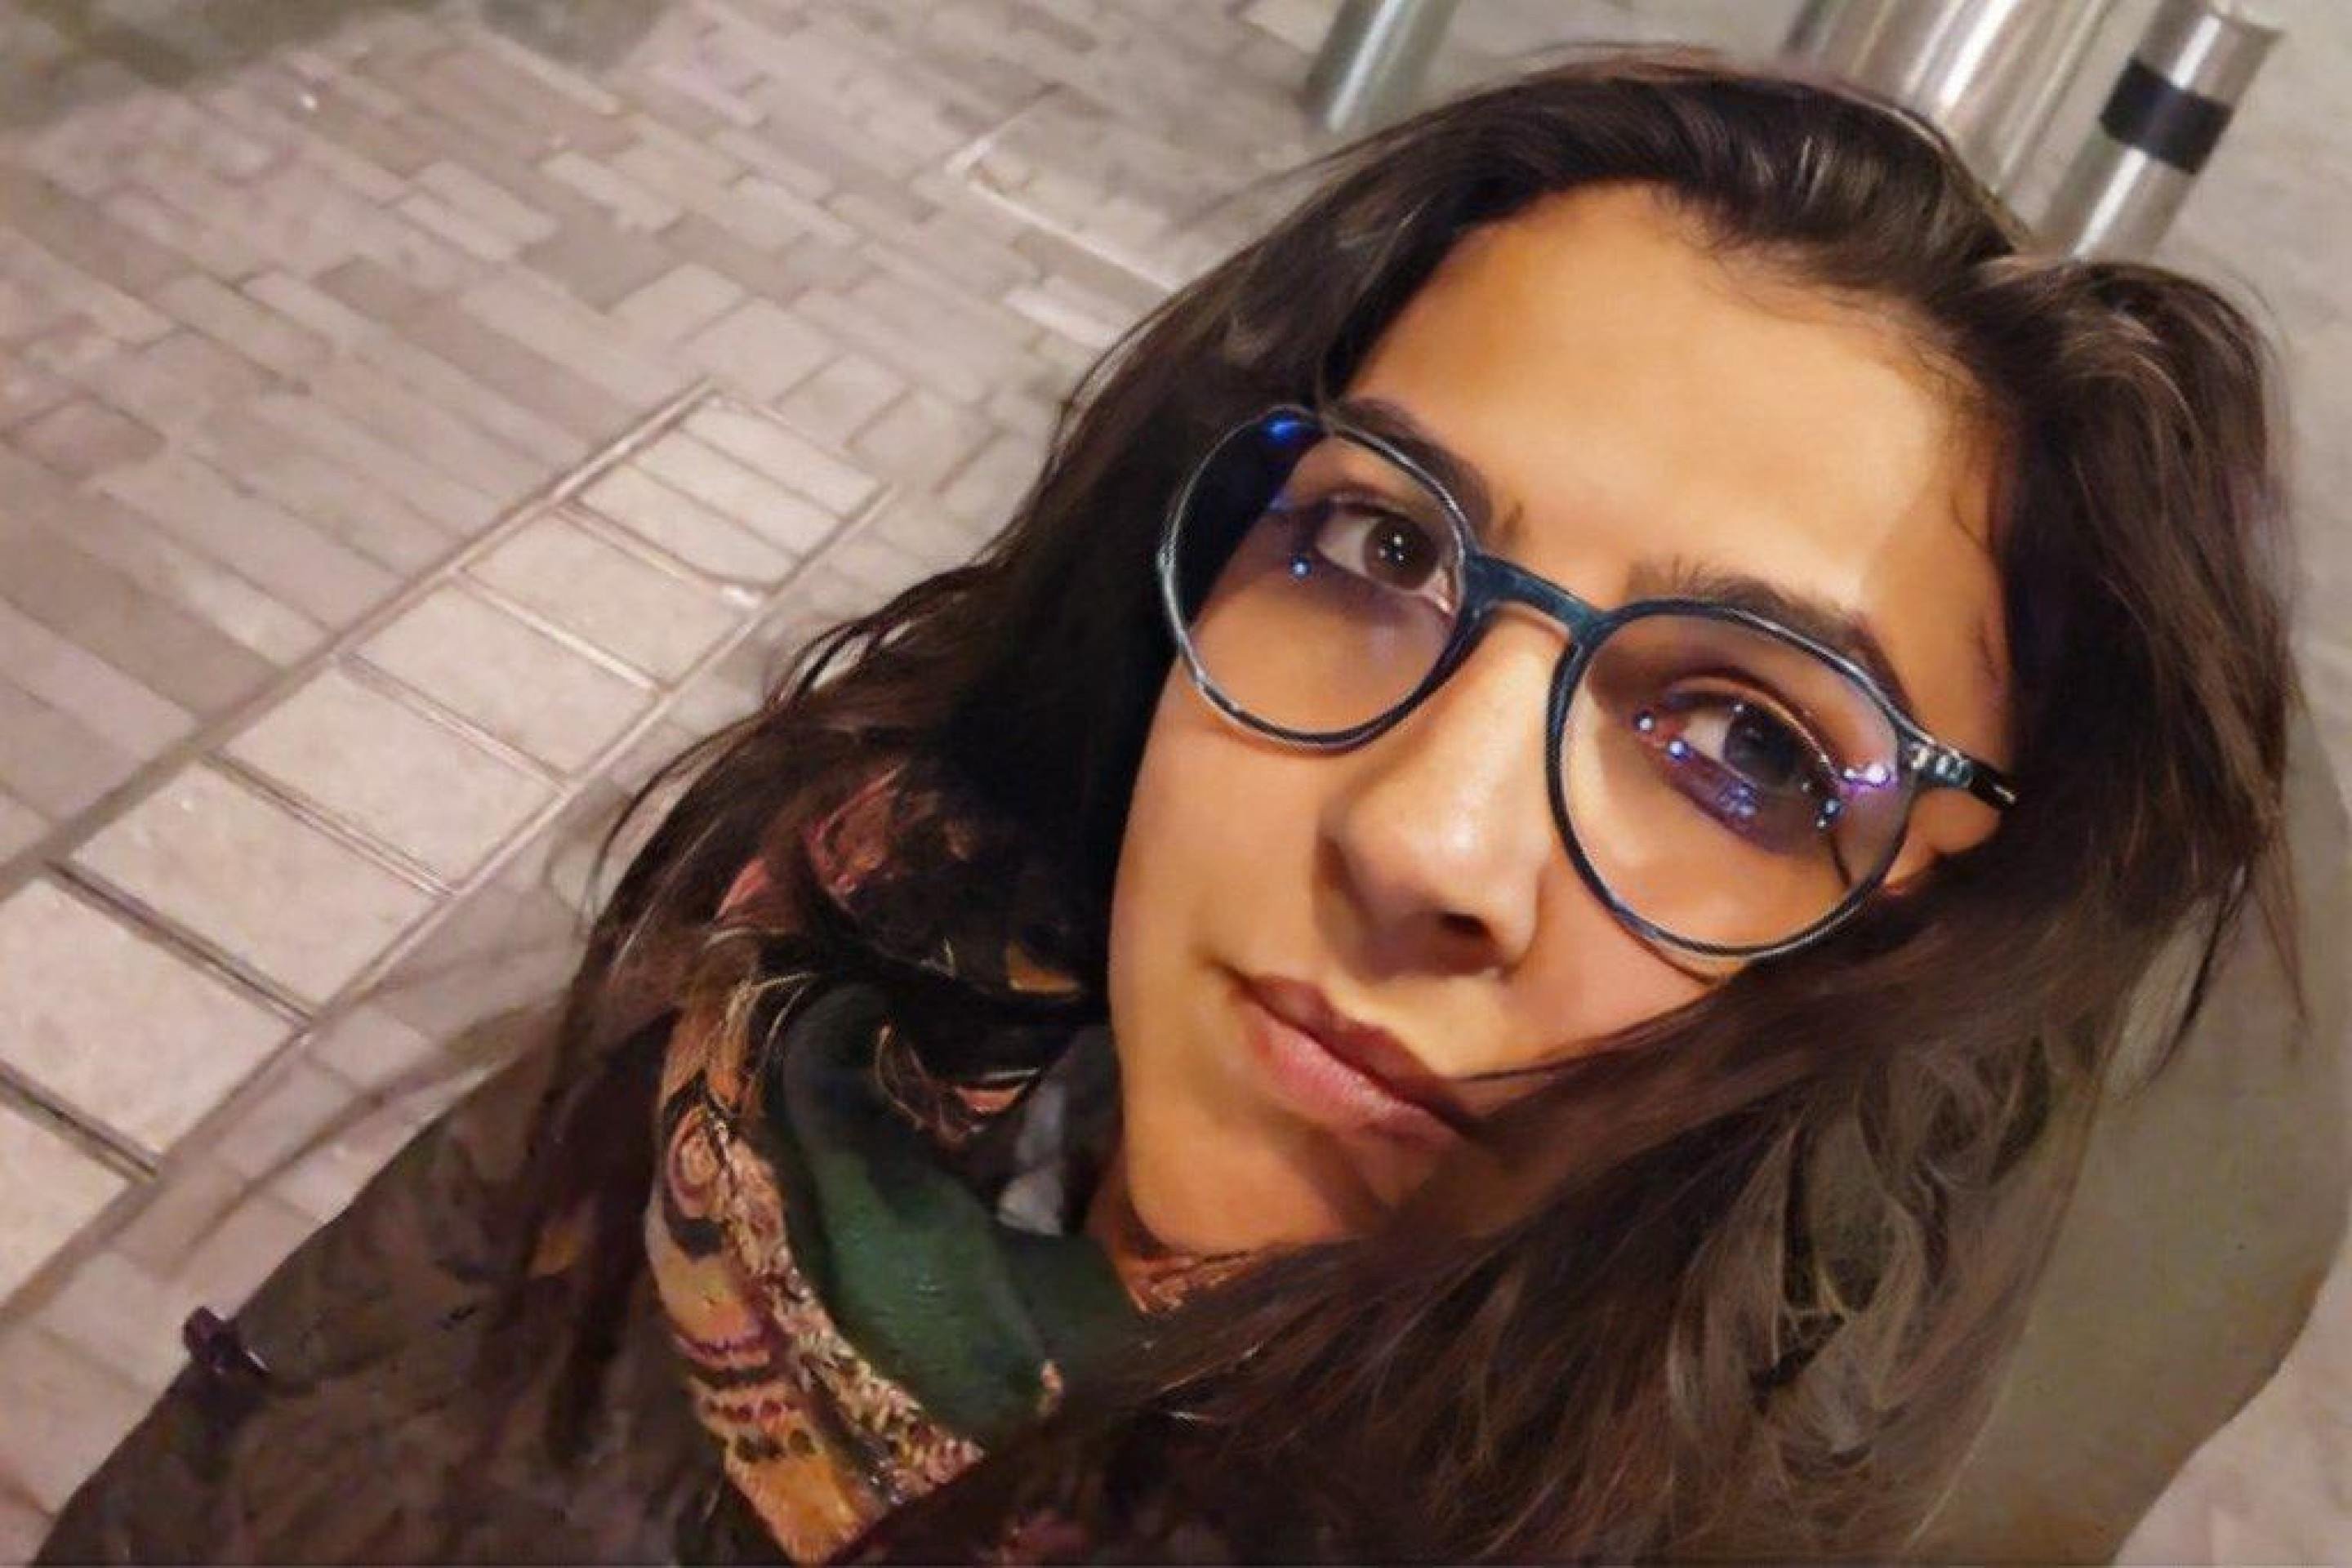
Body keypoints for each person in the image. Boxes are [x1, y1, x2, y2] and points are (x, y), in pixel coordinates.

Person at [41, 46, 2342, 1564]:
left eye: (1744, 748)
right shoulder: (787, 1007)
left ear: (1930, 912)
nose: (1423, 841)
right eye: (1379, 547)